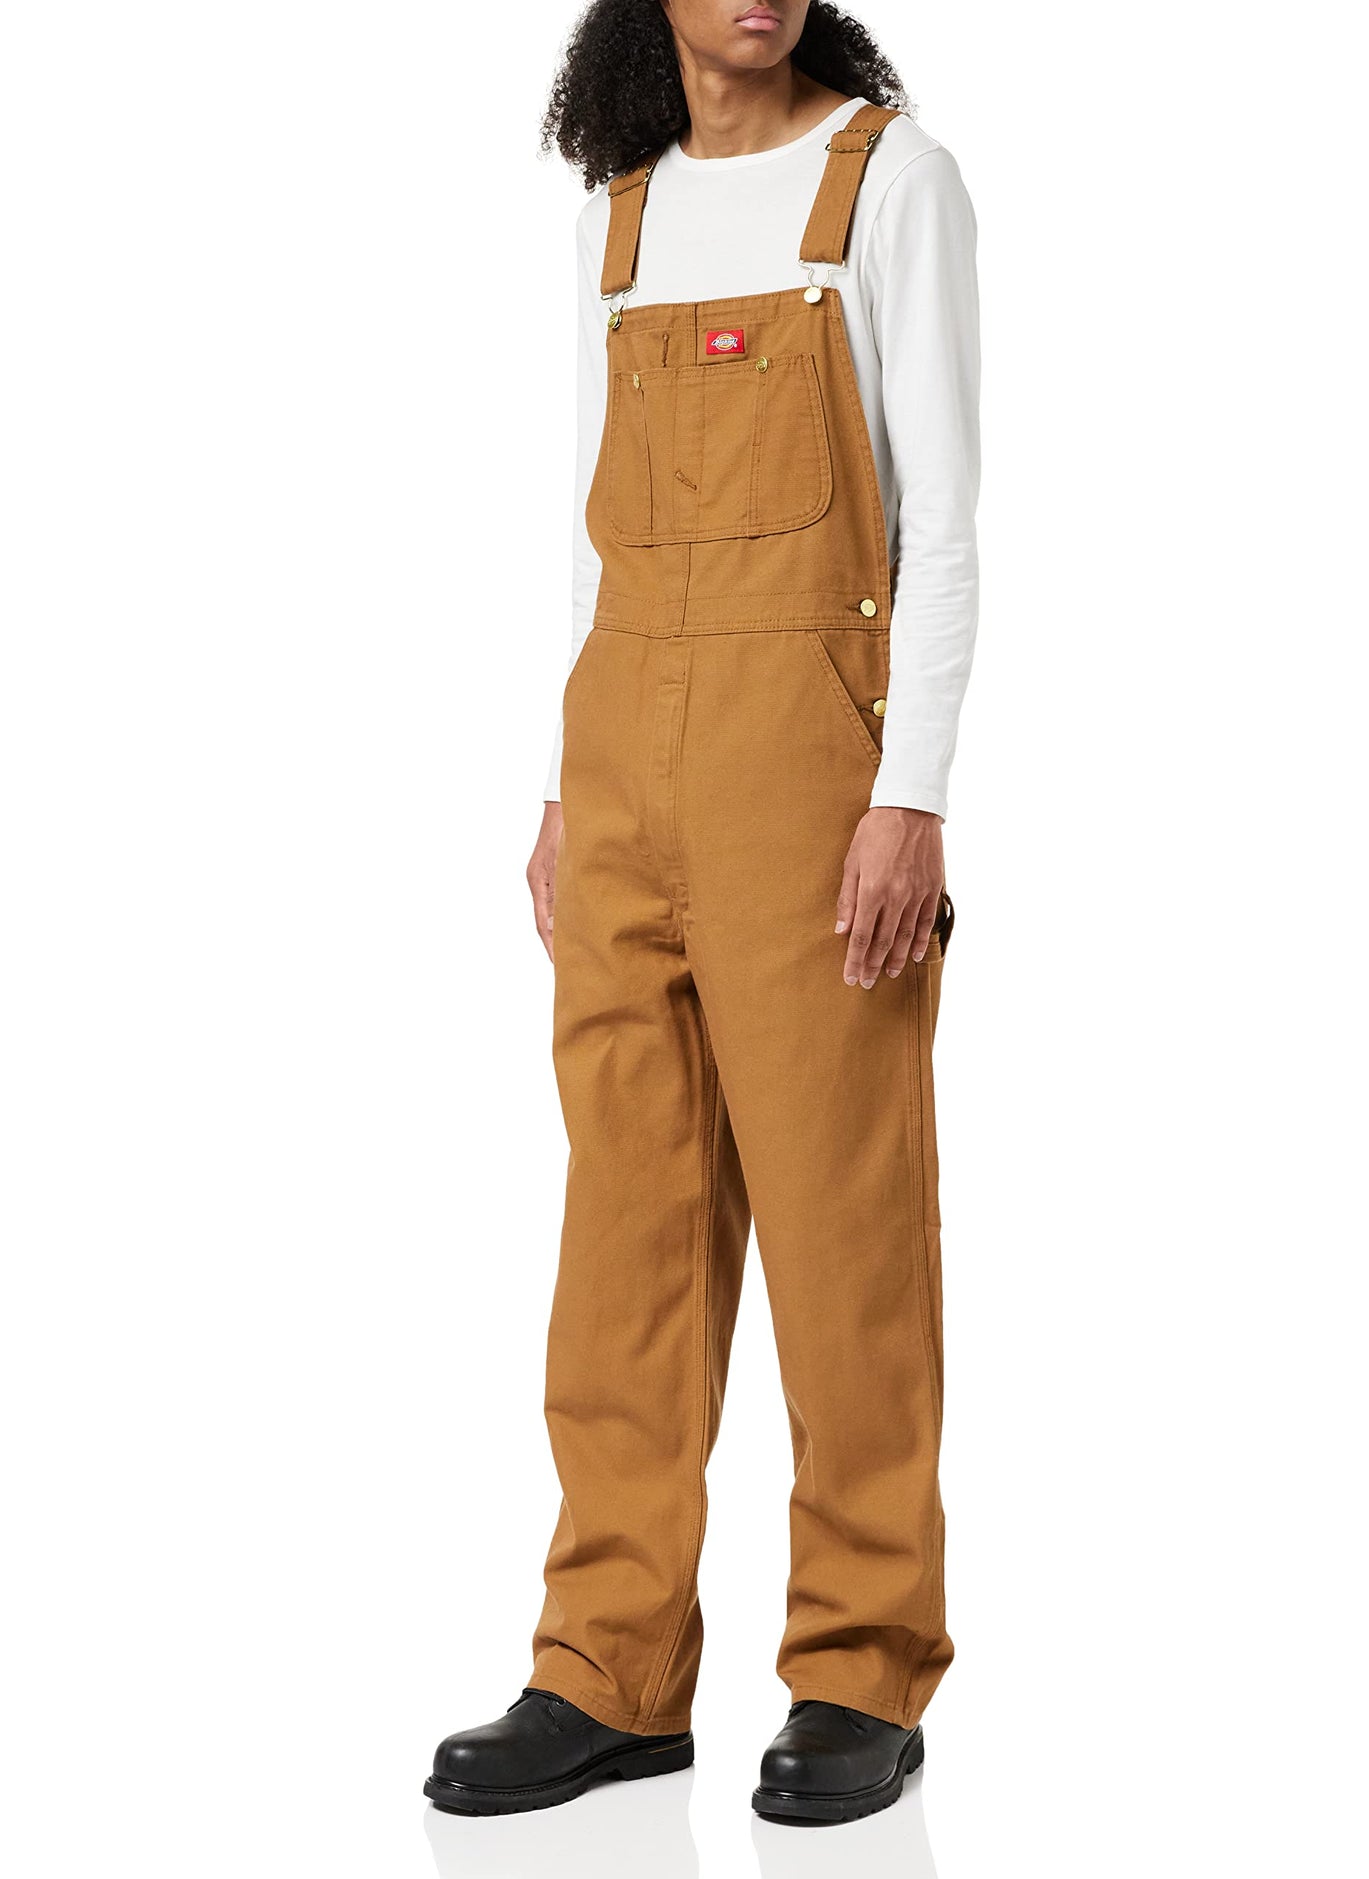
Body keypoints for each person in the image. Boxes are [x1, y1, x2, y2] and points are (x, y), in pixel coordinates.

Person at [425, 0, 980, 1826]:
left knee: (839, 1223)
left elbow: (943, 519)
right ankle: (606, 1668)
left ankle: (859, 1669)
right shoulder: (622, 208)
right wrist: (563, 783)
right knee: (627, 1234)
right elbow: (596, 538)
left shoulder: (887, 181)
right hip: (621, 753)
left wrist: (911, 794)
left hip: (806, 767)